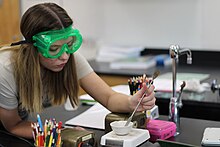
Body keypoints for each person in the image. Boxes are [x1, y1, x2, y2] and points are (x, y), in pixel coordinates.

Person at [0, 2, 155, 139]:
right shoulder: (6, 69)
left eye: (69, 45)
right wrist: (61, 133)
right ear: (32, 47)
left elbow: (108, 97)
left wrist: (131, 102)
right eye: (54, 49)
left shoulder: (69, 58)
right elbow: (13, 125)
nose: (65, 56)